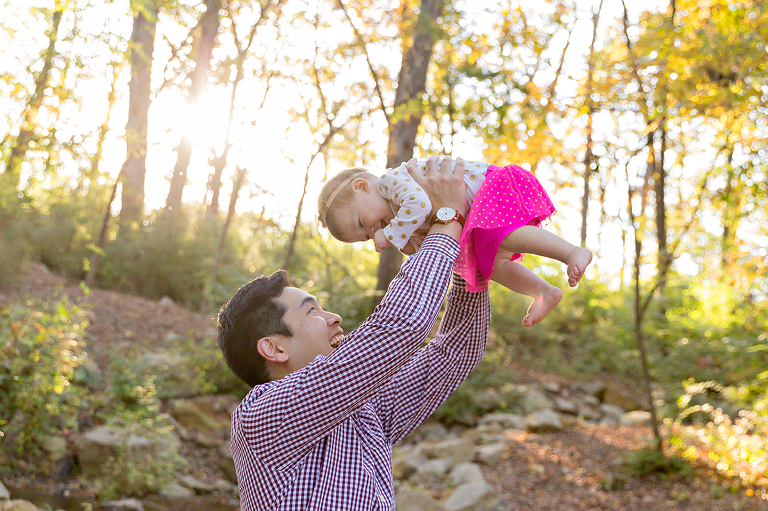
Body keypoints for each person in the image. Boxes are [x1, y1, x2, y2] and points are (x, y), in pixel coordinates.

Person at [217, 156, 491, 511]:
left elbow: (454, 354)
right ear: (273, 347)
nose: (334, 318)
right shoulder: (262, 416)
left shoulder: (364, 410)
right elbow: (398, 330)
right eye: (312, 311)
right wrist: (447, 220)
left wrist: (467, 261)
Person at [317, 158, 593, 327]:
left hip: (486, 190)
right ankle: (543, 292)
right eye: (366, 236)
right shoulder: (394, 216)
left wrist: (388, 236)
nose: (373, 232)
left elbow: (420, 204)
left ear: (362, 187)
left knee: (503, 235)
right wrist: (409, 245)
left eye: (363, 224)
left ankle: (571, 252)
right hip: (473, 217)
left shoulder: (392, 182)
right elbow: (427, 244)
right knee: (492, 266)